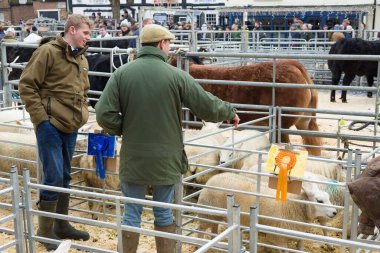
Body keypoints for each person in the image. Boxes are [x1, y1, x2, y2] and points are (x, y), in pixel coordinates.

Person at [95, 24, 240, 253]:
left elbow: (103, 113)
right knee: (163, 211)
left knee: (131, 212)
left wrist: (125, 128)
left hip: (134, 156)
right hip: (166, 158)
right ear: (162, 44)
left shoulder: (121, 74)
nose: (170, 48)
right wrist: (228, 111)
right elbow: (206, 107)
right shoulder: (176, 75)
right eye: (169, 44)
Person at [18, 14, 93, 251]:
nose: (88, 38)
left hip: (71, 125)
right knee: (53, 176)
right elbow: (27, 85)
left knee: (65, 176)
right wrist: (42, 120)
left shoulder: (81, 58)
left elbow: (84, 88)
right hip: (51, 124)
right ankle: (45, 231)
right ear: (72, 30)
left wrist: (83, 112)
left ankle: (61, 225)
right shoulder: (48, 52)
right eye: (85, 33)